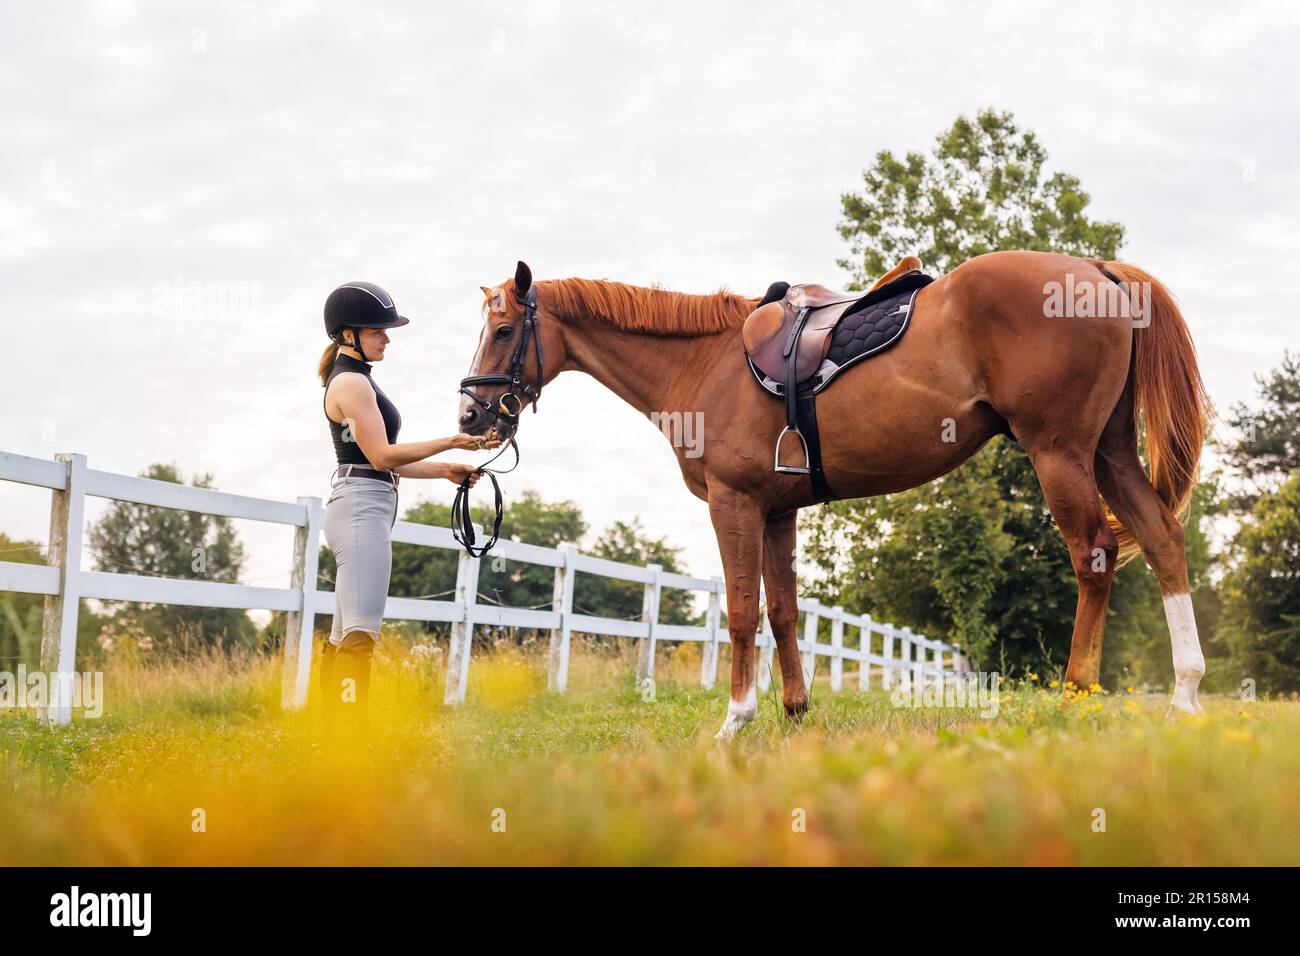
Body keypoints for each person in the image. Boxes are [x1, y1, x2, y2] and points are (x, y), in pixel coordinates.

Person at [317, 281, 499, 742]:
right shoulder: (353, 383)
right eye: (378, 329)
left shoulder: (354, 378)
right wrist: (455, 439)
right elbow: (381, 456)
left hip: (362, 501)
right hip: (362, 506)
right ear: (348, 334)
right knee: (361, 637)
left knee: (344, 636)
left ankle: (328, 737)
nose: (387, 337)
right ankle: (349, 743)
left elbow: (380, 457)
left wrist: (444, 470)